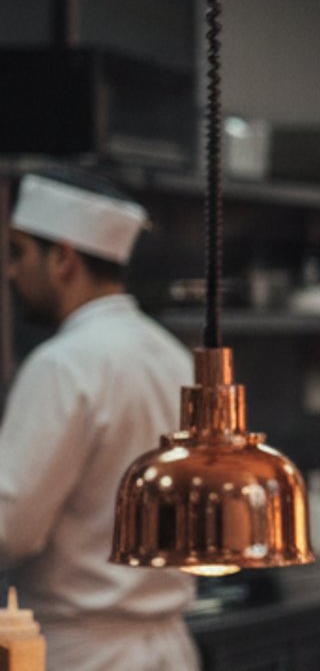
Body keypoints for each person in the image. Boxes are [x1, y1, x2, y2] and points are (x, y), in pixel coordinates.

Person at [1, 170, 198, 671]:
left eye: (19, 252)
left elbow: (9, 529)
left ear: (63, 259)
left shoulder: (62, 364)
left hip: (81, 653)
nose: (11, 272)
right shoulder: (173, 357)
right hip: (170, 648)